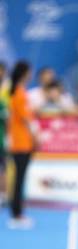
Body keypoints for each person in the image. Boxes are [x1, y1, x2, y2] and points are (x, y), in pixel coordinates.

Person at [8, 61, 36, 228]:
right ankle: (16, 214)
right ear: (24, 73)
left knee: (20, 178)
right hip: (21, 142)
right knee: (19, 179)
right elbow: (26, 119)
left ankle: (17, 212)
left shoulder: (19, 92)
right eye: (29, 72)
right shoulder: (19, 93)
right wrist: (36, 136)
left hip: (22, 141)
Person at [0, 61, 9, 206]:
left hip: (1, 139)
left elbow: (7, 118)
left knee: (2, 168)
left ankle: (3, 195)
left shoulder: (9, 90)